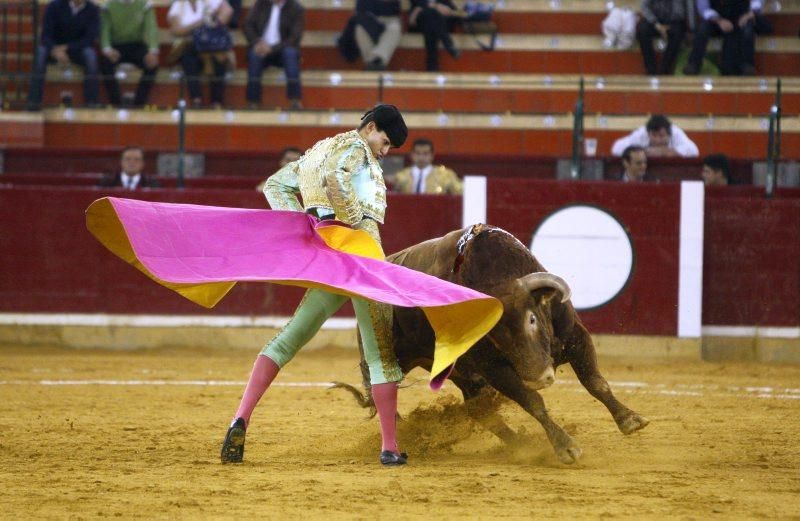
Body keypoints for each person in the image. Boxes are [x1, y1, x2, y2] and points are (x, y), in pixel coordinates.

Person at [220, 105, 410, 466]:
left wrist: (308, 225)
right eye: (384, 142)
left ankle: (240, 417)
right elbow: (339, 177)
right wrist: (347, 225)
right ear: (370, 127)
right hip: (362, 256)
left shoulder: (316, 152)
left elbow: (276, 185)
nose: (384, 152)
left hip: (330, 258)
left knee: (289, 338)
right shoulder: (355, 149)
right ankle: (390, 447)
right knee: (380, 351)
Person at [27, 0, 100, 110]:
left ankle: (92, 103)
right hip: (53, 48)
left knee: (91, 56)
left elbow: (89, 39)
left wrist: (67, 48)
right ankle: (33, 102)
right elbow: (45, 35)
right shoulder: (54, 6)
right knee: (40, 53)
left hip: (77, 49)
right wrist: (54, 50)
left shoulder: (93, 10)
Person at [167, 0, 234, 108]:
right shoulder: (178, 5)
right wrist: (200, 23)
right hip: (189, 45)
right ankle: (196, 99)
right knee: (188, 58)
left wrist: (215, 23)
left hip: (210, 44)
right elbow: (176, 30)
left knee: (219, 57)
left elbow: (228, 11)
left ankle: (216, 101)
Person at [243, 0, 305, 110]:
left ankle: (295, 100)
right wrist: (257, 42)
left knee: (290, 54)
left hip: (282, 50)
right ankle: (253, 102)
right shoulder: (260, 4)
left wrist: (272, 49)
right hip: (261, 47)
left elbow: (294, 38)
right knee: (254, 55)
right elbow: (248, 25)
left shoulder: (296, 8)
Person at [99, 0, 160, 107]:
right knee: (105, 63)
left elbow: (151, 29)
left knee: (152, 65)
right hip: (116, 47)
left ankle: (139, 103)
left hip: (137, 46)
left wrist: (152, 51)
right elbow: (105, 30)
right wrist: (107, 50)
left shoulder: (145, 5)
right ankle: (116, 103)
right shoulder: (108, 6)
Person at [682, 0, 761, 76]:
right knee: (703, 28)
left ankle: (747, 65)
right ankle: (693, 64)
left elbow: (756, 3)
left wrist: (748, 15)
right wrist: (719, 21)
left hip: (740, 19)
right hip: (715, 20)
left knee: (748, 28)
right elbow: (703, 9)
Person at [341, 0, 402, 71]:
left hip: (390, 20)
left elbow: (394, 9)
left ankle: (374, 61)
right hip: (368, 20)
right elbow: (360, 9)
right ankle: (377, 64)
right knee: (359, 29)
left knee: (395, 28)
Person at [392, 138, 463, 194]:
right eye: (417, 153)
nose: (421, 157)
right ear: (412, 155)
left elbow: (460, 192)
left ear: (432, 155)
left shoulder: (445, 175)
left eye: (425, 154)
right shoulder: (401, 176)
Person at [611, 114, 699, 158]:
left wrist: (665, 152)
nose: (657, 140)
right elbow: (616, 148)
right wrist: (642, 152)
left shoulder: (675, 132)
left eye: (661, 136)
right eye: (654, 136)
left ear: (669, 134)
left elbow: (694, 150)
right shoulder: (642, 133)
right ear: (648, 133)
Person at [636, 0, 687, 76]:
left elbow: (679, 12)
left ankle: (664, 69)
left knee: (678, 32)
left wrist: (667, 26)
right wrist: (656, 24)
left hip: (672, 22)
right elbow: (645, 8)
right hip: (654, 22)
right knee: (642, 30)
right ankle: (650, 69)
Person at [408, 0, 461, 71]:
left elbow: (452, 9)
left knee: (432, 20)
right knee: (430, 14)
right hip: (420, 23)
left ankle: (432, 67)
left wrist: (448, 10)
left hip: (437, 25)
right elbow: (418, 4)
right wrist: (436, 6)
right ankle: (448, 44)